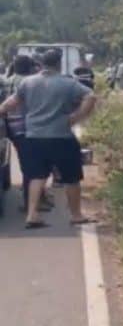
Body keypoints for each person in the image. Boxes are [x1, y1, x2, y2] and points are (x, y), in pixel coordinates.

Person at [0, 49, 97, 228]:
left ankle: (32, 215)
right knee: (71, 178)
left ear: (42, 64)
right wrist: (77, 117)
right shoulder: (69, 83)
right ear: (58, 64)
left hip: (34, 137)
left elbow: (10, 104)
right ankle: (76, 215)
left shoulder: (28, 82)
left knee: (36, 177)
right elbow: (90, 96)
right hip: (61, 137)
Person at [4, 55, 51, 213]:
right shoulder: (30, 83)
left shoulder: (6, 80)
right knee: (32, 166)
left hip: (10, 127)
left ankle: (35, 199)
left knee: (28, 164)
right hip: (26, 127)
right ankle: (30, 203)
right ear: (29, 67)